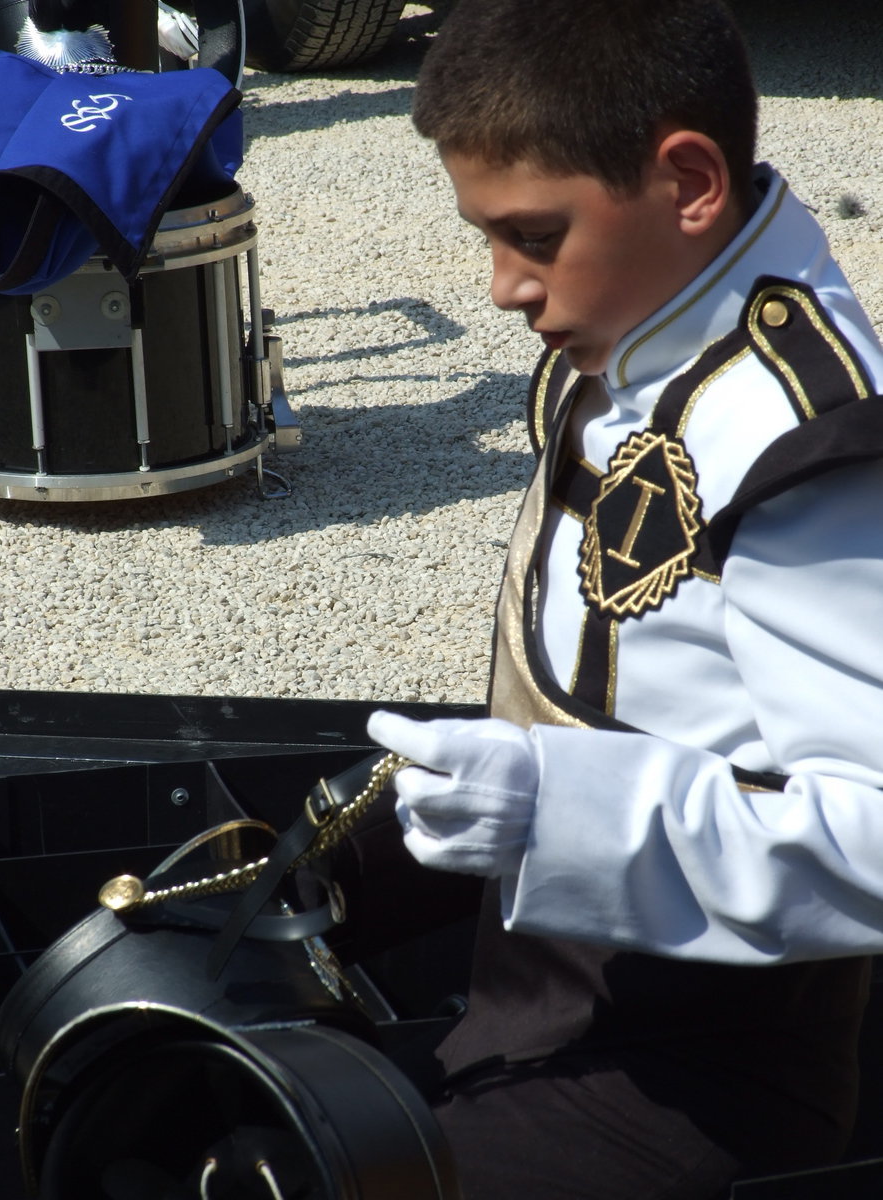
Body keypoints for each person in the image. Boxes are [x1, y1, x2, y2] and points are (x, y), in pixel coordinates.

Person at [360, 1, 883, 1197]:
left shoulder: (807, 439)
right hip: (549, 995)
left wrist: (559, 811)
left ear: (689, 179)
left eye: (535, 235)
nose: (501, 288)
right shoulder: (639, 329)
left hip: (703, 1069)